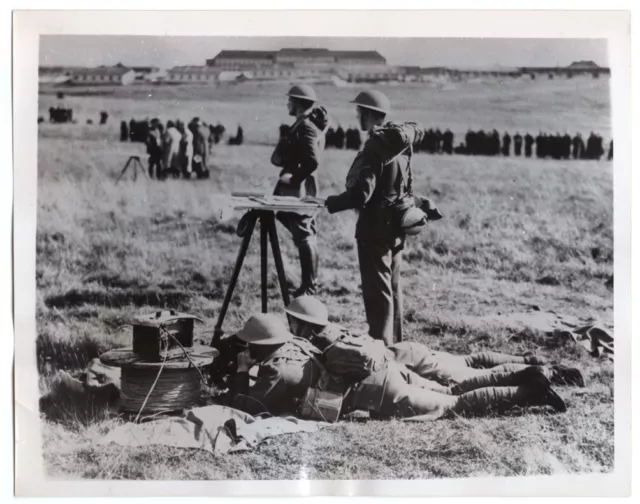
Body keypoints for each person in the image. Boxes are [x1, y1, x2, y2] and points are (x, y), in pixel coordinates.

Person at [226, 313, 567, 420]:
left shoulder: (276, 369)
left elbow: (250, 407)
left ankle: (529, 392)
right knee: (454, 388)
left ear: (258, 346)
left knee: (455, 404)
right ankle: (526, 376)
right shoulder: (298, 343)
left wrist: (242, 373)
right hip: (388, 371)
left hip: (382, 393)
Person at [284, 295, 585, 389]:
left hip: (407, 363)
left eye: (293, 321)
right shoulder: (331, 329)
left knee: (473, 376)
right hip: (408, 351)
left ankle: (551, 374)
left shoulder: (320, 345)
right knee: (470, 360)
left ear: (304, 324)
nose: (290, 326)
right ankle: (528, 361)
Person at [324, 90, 430, 346]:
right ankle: (395, 347)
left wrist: (332, 203)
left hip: (374, 229)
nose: (357, 115)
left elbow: (362, 194)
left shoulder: (376, 144)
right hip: (395, 226)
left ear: (369, 113)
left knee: (377, 294)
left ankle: (381, 351)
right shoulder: (400, 143)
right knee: (392, 290)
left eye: (359, 111)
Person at [270, 84, 328, 297]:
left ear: (298, 102)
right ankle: (309, 284)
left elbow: (312, 161)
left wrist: (294, 178)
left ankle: (309, 286)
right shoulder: (303, 125)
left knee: (304, 234)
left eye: (290, 100)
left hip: (299, 189)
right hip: (296, 188)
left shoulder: (306, 127)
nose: (288, 103)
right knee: (301, 231)